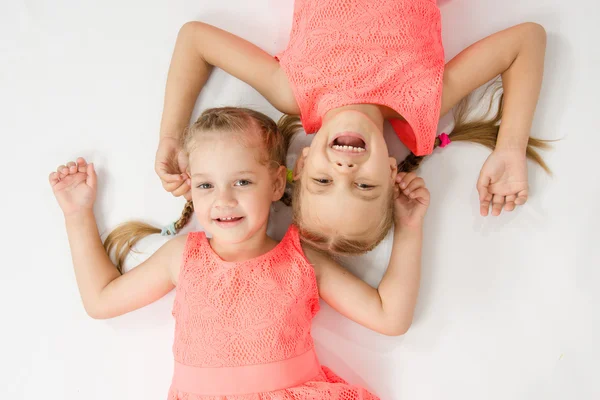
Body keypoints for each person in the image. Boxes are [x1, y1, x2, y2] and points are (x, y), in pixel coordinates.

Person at [50, 107, 430, 399]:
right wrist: (77, 214)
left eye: (242, 181)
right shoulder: (182, 256)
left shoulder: (300, 261)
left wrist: (409, 228)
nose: (224, 200)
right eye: (206, 185)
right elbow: (101, 301)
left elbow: (389, 317)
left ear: (277, 182)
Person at [155, 0, 551, 254]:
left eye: (323, 182)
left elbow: (195, 40)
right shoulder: (424, 103)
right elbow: (527, 40)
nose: (345, 172)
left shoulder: (292, 91)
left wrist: (171, 137)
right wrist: (510, 148)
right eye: (365, 186)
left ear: (304, 164)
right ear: (393, 171)